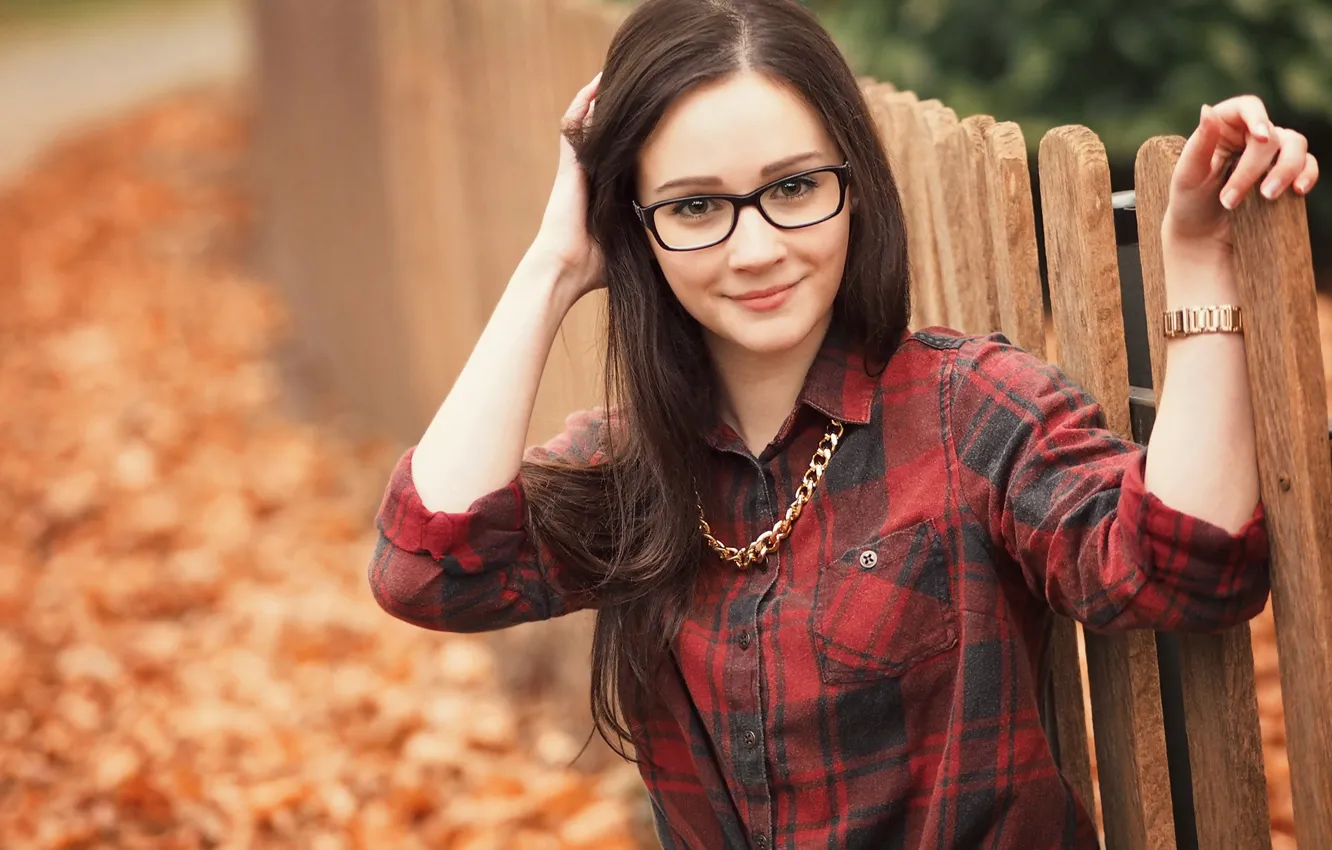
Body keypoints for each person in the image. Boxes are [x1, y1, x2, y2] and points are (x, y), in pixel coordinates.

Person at [367, 0, 1318, 846]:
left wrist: (1195, 262)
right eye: (696, 207)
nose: (756, 249)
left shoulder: (966, 409)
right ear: (638, 229)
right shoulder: (637, 463)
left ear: (852, 183)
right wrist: (553, 265)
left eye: (792, 188)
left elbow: (1182, 571)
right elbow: (427, 570)